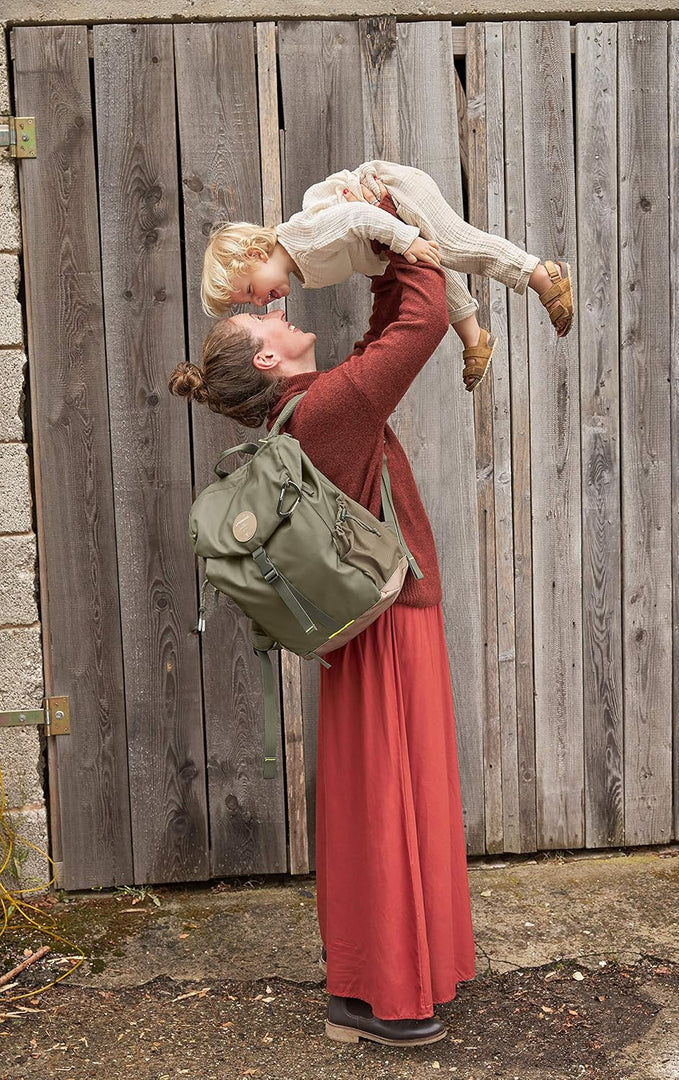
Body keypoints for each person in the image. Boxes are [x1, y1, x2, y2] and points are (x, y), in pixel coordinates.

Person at [170, 189, 478, 1046]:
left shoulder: (306, 409)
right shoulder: (329, 408)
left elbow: (384, 333)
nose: (277, 306)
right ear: (267, 362)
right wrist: (392, 221)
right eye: (264, 318)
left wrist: (381, 255)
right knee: (392, 798)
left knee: (373, 798)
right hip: (393, 617)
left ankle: (363, 984)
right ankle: (388, 997)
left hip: (362, 628)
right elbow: (416, 329)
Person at [200, 160, 574, 392]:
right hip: (386, 229)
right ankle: (475, 337)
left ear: (256, 254)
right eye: (248, 303)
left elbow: (357, 217)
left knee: (456, 246)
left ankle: (540, 274)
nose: (260, 301)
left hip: (394, 192)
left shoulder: (303, 239)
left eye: (251, 290)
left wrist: (405, 238)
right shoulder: (300, 265)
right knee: (438, 270)